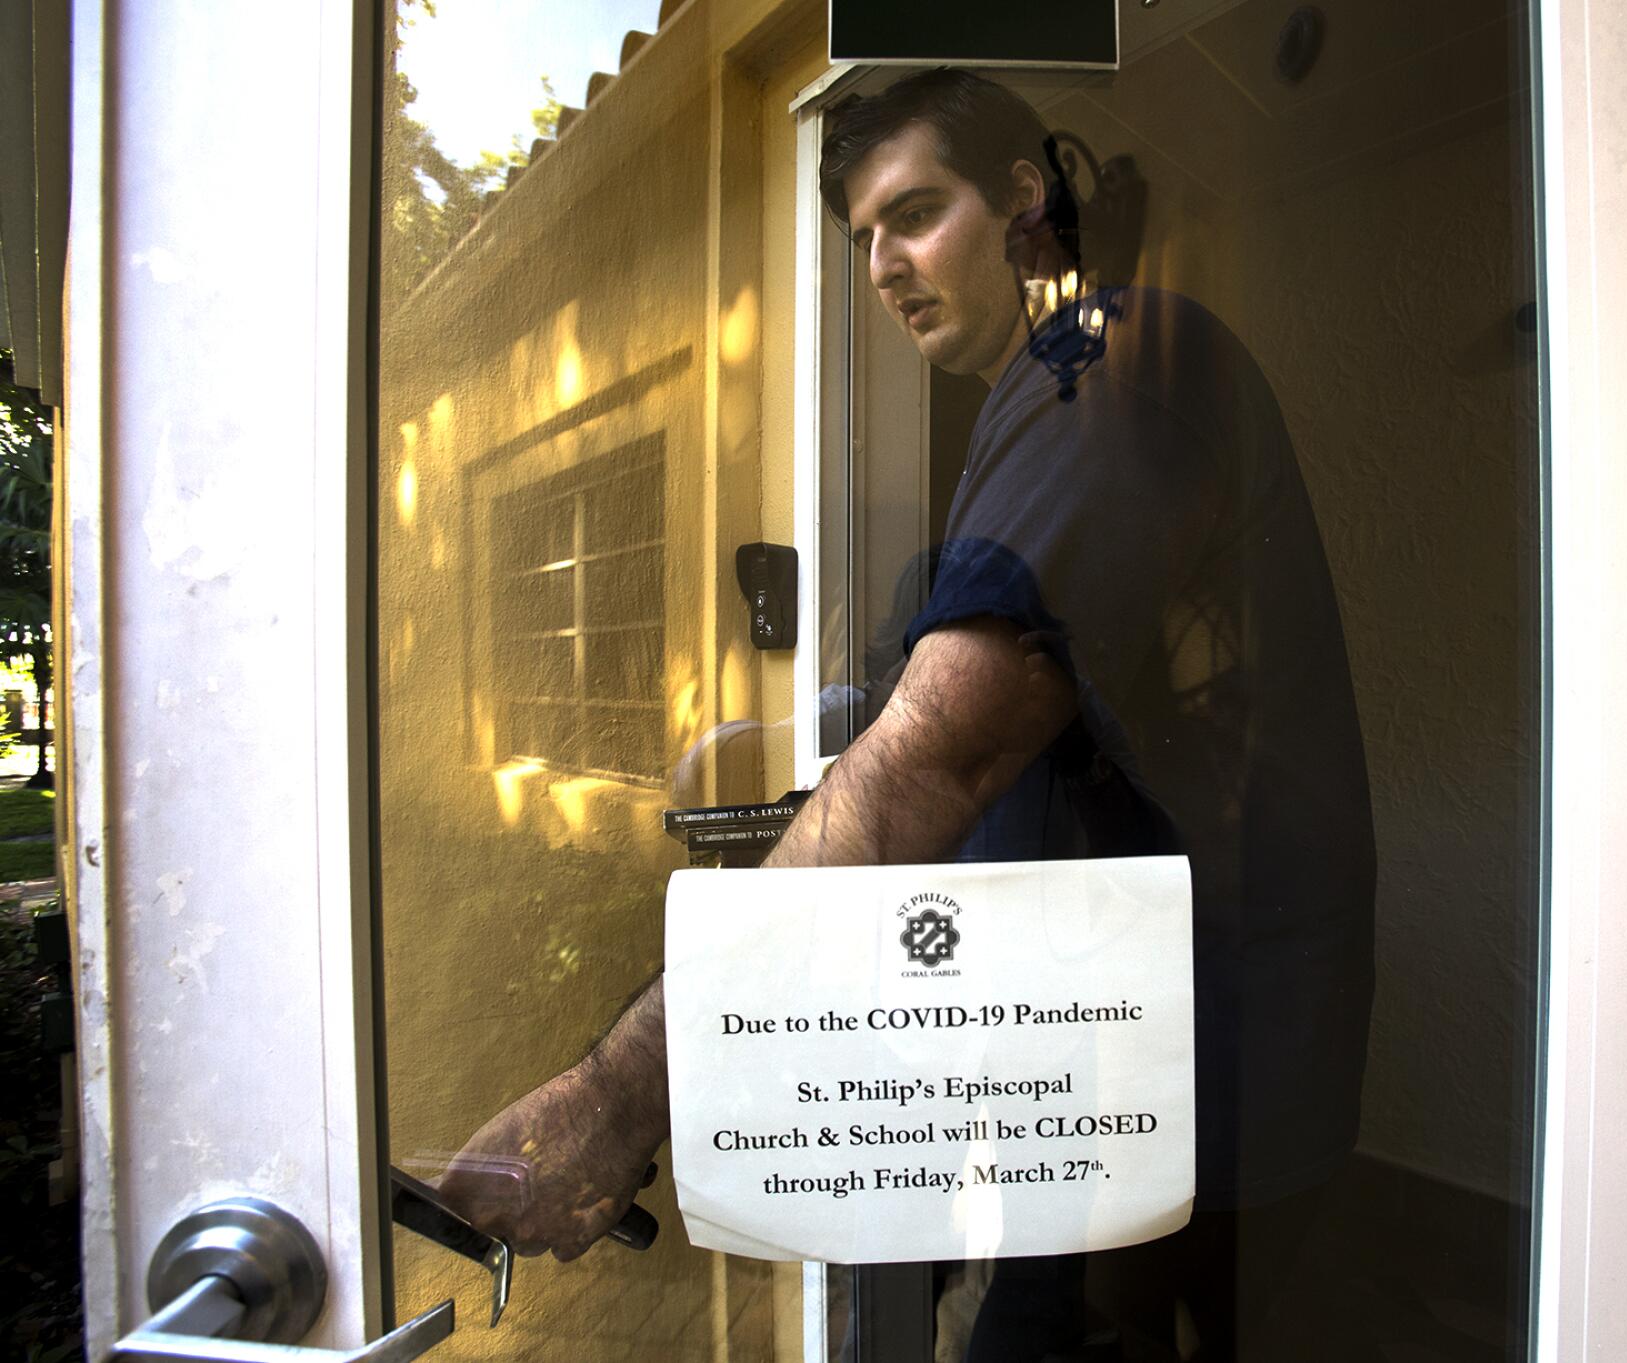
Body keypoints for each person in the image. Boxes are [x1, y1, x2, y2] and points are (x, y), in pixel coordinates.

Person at [443, 68, 1376, 1358]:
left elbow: (939, 752)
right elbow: (975, 705)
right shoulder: (1031, 409)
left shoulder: (1096, 373)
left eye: (916, 212)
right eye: (863, 238)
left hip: (1196, 1067)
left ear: (1023, 200)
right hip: (1094, 1063)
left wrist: (616, 1093)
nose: (882, 266)